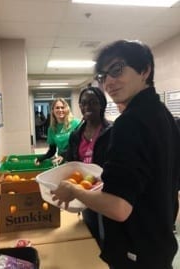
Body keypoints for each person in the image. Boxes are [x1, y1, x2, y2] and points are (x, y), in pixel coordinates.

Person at [52, 40, 180, 269]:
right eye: (103, 76)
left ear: (145, 70)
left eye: (117, 69)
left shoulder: (128, 124)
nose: (108, 82)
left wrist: (73, 189)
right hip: (159, 242)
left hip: (135, 251)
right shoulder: (165, 116)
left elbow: (119, 208)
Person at [63, 86, 113, 250]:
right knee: (90, 230)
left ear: (102, 105)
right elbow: (70, 162)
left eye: (93, 102)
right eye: (83, 103)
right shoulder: (76, 134)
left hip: (106, 190)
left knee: (107, 234)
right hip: (84, 189)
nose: (87, 107)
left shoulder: (112, 131)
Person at [35, 98, 80, 166]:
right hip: (62, 161)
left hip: (76, 160)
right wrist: (41, 158)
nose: (60, 110)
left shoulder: (76, 123)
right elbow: (52, 151)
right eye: (57, 108)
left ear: (67, 109)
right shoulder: (51, 129)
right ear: (53, 111)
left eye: (62, 107)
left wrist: (64, 155)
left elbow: (79, 145)